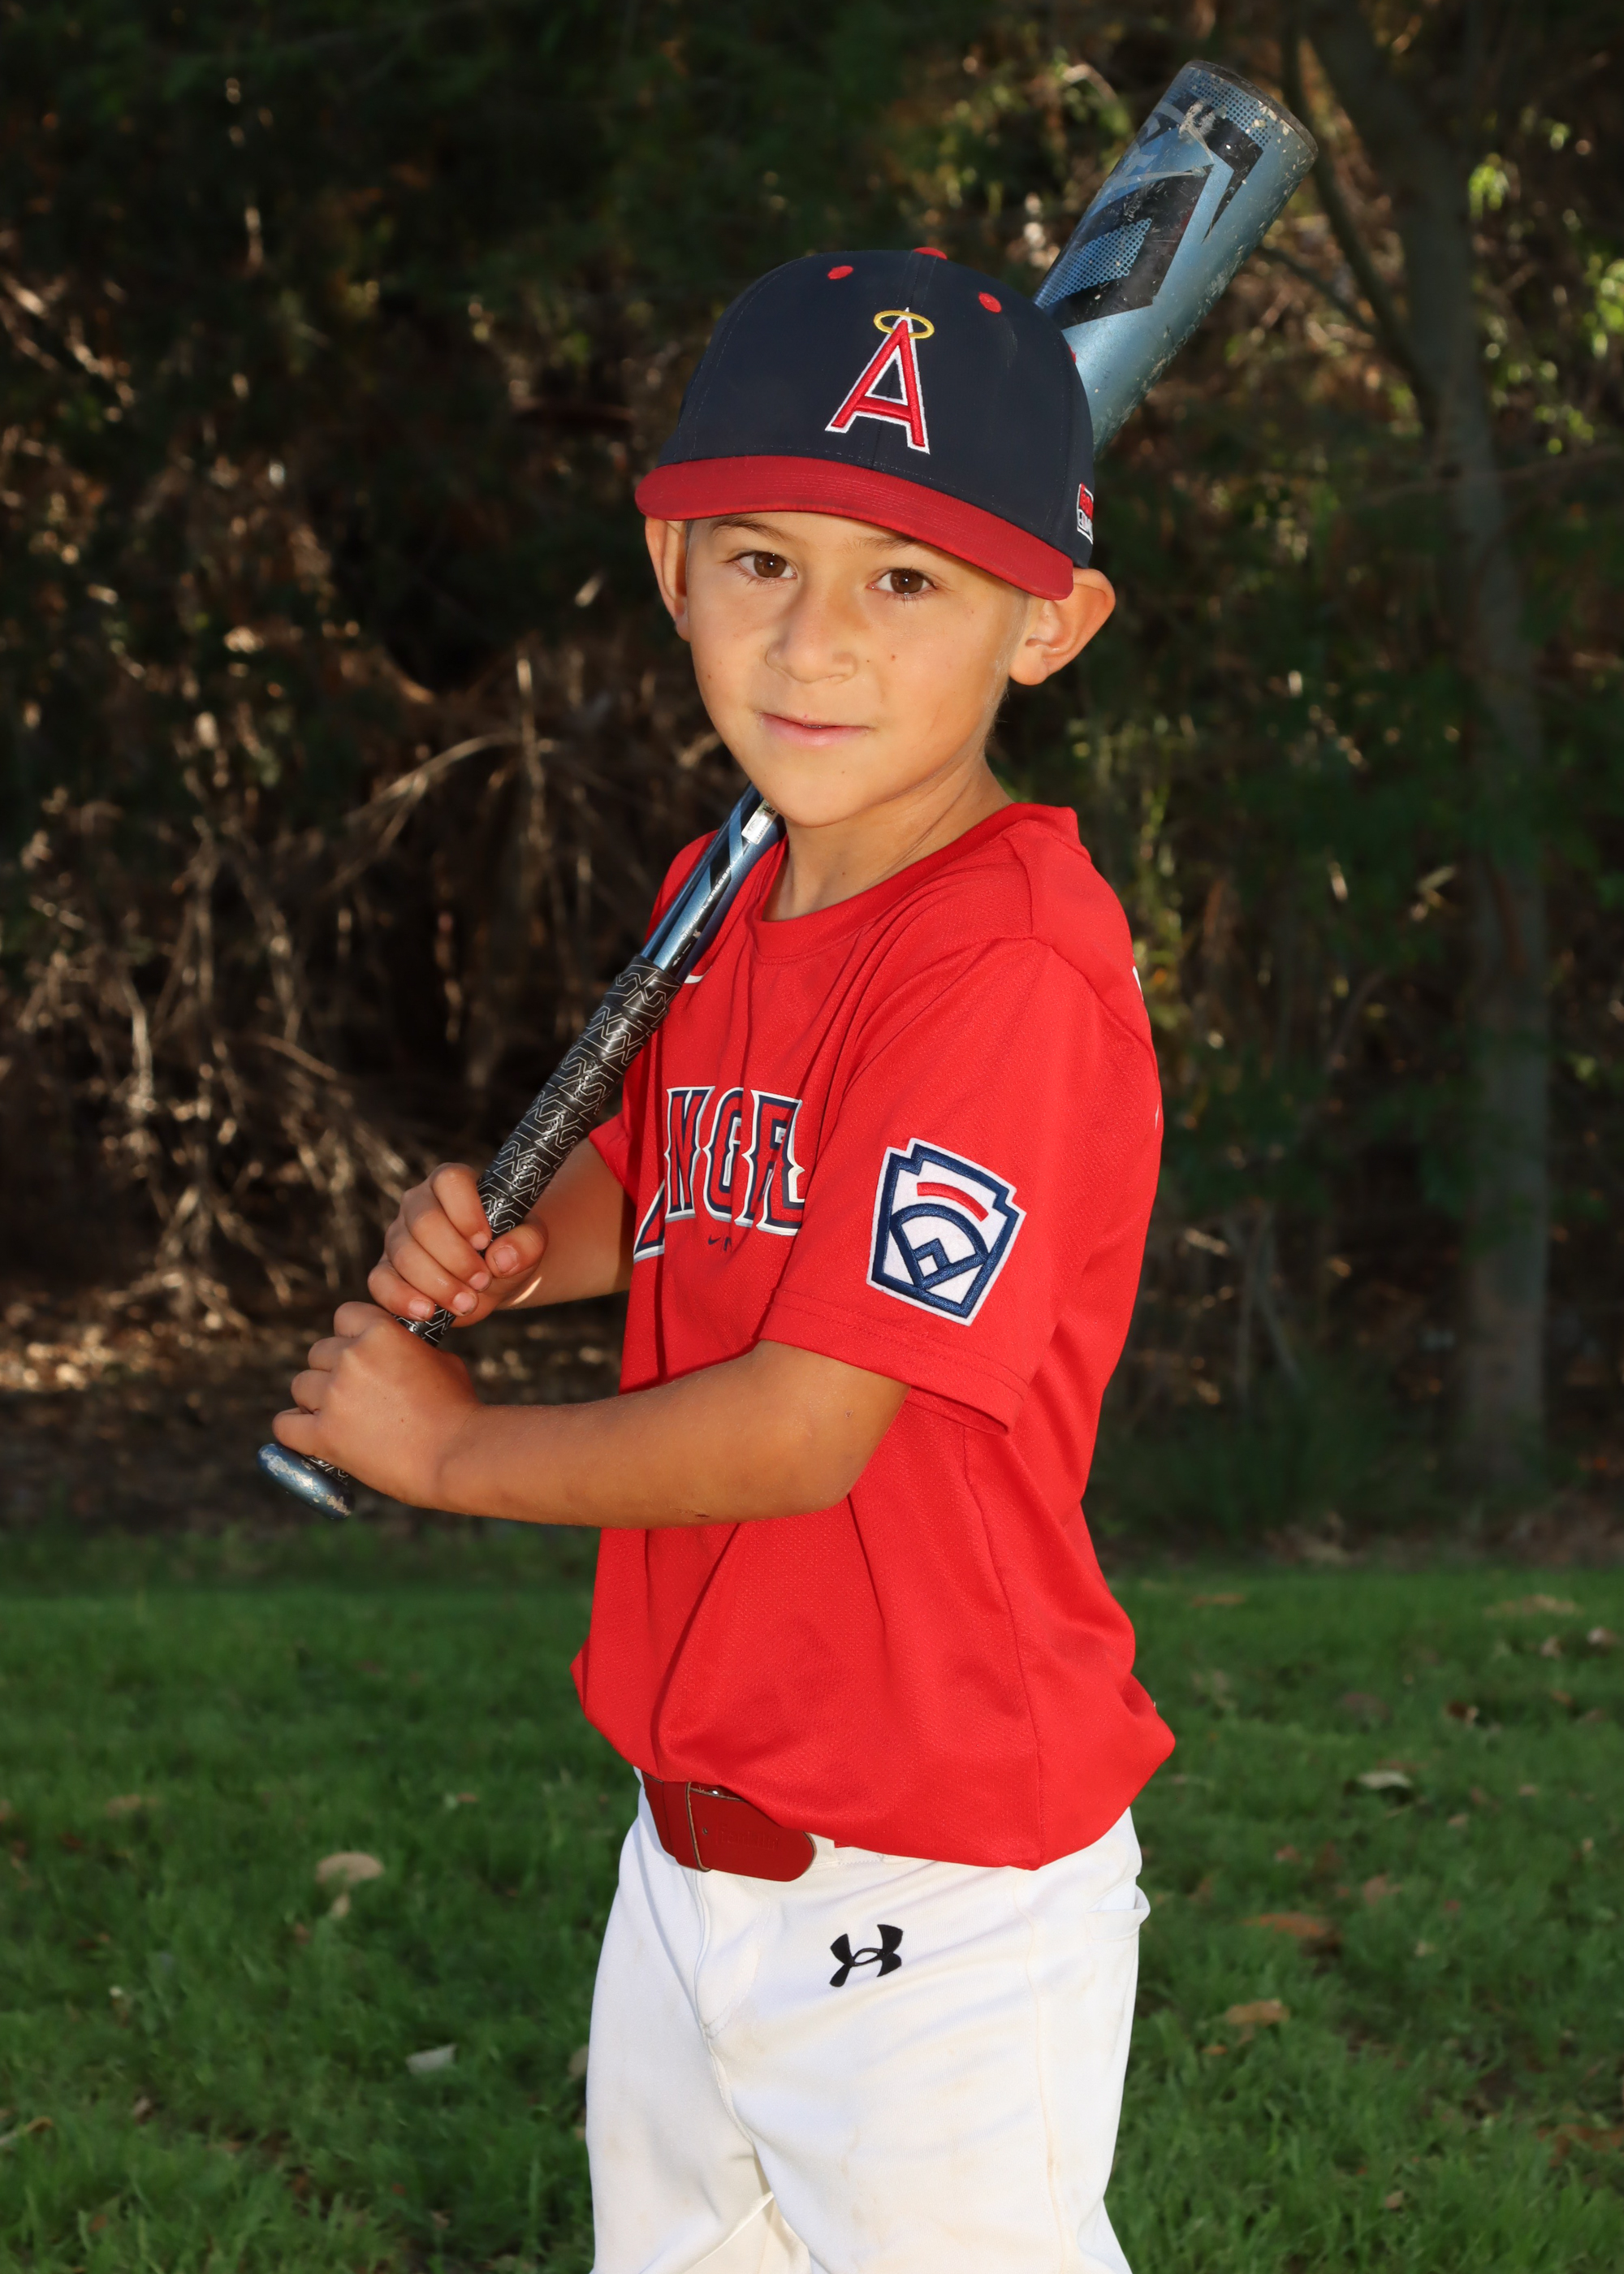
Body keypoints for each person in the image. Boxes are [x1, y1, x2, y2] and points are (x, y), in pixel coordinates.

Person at [276, 245, 1173, 2274]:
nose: (816, 639)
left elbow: (802, 1423)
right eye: (763, 559)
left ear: (1047, 623)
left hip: (938, 1876)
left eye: (906, 580)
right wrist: (536, 1250)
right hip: (693, 1846)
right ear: (670, 565)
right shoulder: (732, 880)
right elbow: (680, 1167)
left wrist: (450, 1450)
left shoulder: (1007, 966)